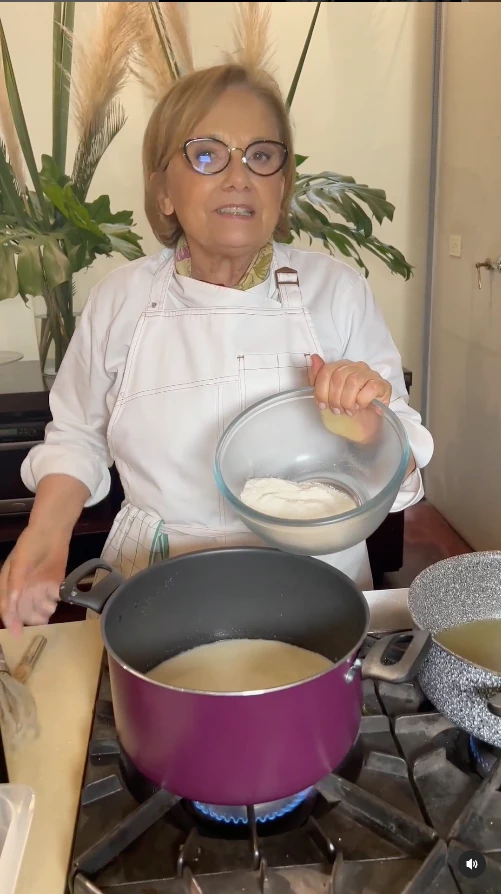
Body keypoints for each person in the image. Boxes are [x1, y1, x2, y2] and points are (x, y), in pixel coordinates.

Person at [0, 63, 433, 632]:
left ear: (281, 187)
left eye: (261, 156)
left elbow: (400, 458)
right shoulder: (120, 300)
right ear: (164, 193)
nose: (239, 177)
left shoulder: (338, 293)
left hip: (317, 582)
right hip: (155, 584)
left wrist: (367, 424)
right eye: (206, 155)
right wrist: (46, 532)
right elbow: (77, 434)